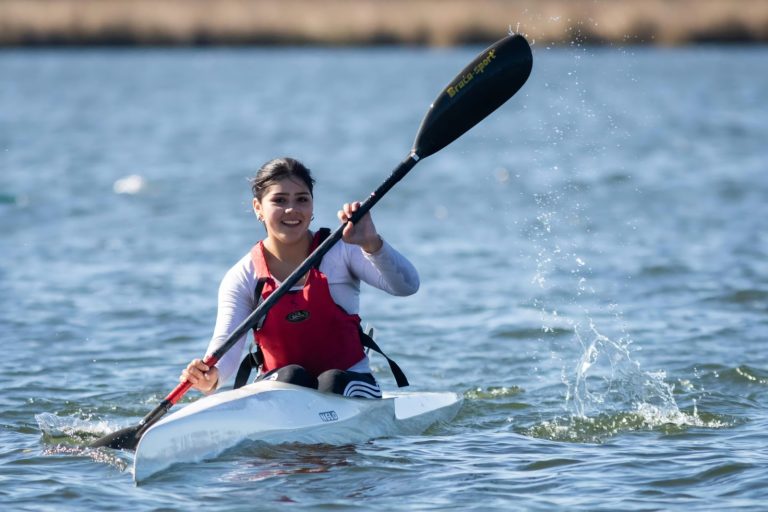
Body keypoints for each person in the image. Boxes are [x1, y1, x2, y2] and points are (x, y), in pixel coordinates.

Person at [180, 157, 419, 398]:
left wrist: (371, 243)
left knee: (332, 380)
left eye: (302, 199)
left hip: (349, 383)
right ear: (258, 207)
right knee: (291, 376)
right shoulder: (243, 276)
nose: (292, 209)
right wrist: (210, 377)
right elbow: (226, 346)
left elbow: (407, 286)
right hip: (280, 387)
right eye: (279, 200)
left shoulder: (342, 250)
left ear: (312, 206)